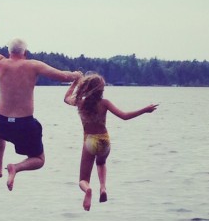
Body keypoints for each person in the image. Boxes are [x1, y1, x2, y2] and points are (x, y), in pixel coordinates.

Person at [0, 14, 82, 191]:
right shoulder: (33, 66)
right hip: (25, 124)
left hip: (3, 121)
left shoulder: (0, 62)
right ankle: (15, 168)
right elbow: (62, 76)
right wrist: (76, 75)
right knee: (39, 159)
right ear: (25, 52)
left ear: (9, 51)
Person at [64, 73, 158, 211]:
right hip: (104, 141)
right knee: (101, 162)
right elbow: (124, 116)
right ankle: (103, 187)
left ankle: (88, 190)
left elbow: (66, 98)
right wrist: (144, 110)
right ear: (101, 90)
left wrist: (75, 82)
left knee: (83, 180)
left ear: (86, 88)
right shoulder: (105, 103)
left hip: (89, 141)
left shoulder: (80, 102)